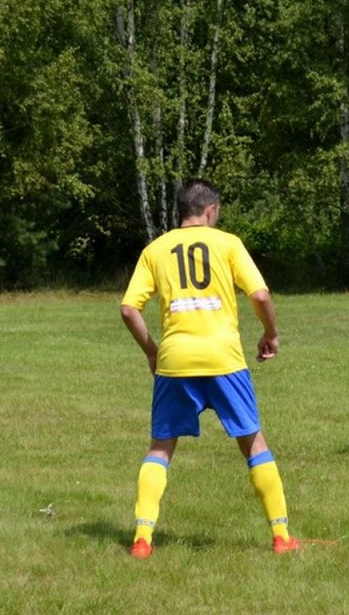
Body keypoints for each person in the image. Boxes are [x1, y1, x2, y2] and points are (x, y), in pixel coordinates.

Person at [120, 177, 299, 558]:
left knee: (160, 448)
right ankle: (282, 537)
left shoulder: (155, 249)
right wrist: (271, 334)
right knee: (254, 443)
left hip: (175, 361)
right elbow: (260, 295)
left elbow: (129, 309)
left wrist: (152, 351)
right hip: (224, 359)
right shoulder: (228, 243)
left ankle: (142, 539)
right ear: (211, 210)